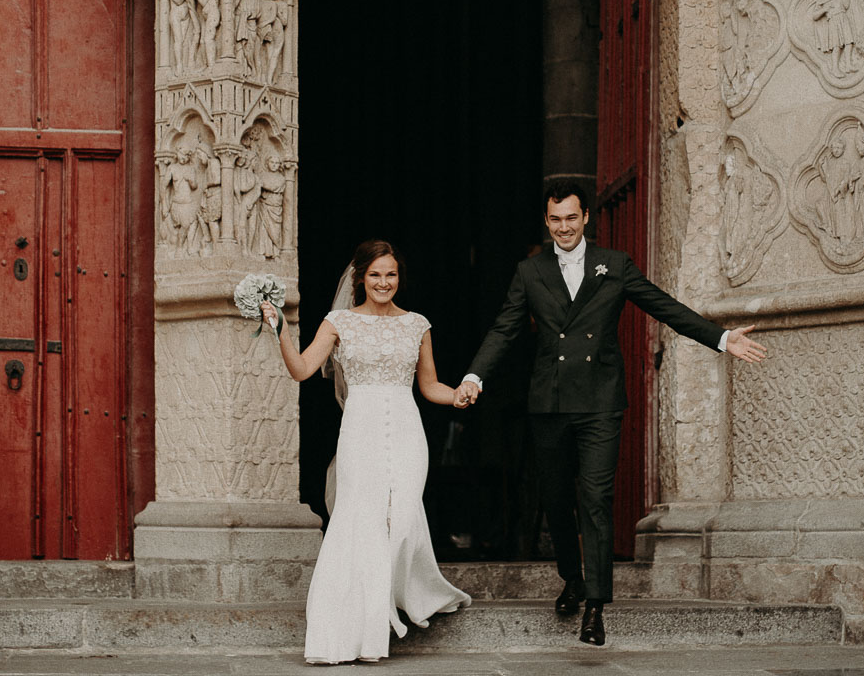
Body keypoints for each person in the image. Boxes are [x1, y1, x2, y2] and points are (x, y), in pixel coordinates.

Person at [452, 180, 766, 647]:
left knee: (596, 499)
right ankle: (571, 579)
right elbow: (505, 328)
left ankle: (595, 605)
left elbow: (664, 306)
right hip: (551, 404)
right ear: (547, 221)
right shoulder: (530, 271)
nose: (563, 227)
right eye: (555, 219)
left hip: (600, 402)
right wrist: (475, 376)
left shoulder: (614, 265)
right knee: (557, 500)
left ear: (586, 219)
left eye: (571, 218)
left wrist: (720, 338)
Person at [271, 239, 470, 664]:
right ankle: (351, 631)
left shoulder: (417, 324)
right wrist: (281, 332)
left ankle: (391, 606)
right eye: (376, 274)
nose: (384, 282)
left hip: (406, 430)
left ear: (400, 277)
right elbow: (303, 369)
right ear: (360, 277)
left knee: (402, 520)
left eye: (391, 274)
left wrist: (457, 395)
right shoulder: (339, 321)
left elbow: (429, 385)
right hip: (360, 430)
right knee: (359, 522)